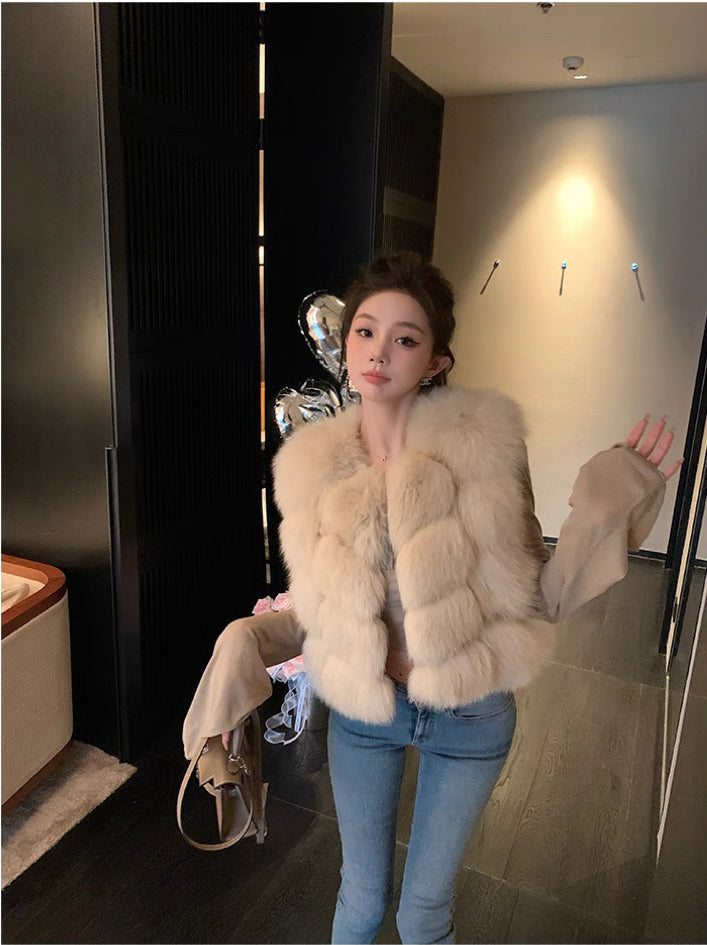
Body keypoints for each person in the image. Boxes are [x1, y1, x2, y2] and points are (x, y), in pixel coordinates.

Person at [183, 252, 680, 945]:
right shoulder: (310, 468)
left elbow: (531, 597)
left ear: (436, 360)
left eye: (405, 338)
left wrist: (600, 514)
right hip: (367, 716)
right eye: (365, 331)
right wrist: (248, 640)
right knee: (359, 902)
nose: (378, 352)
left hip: (470, 718)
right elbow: (325, 611)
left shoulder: (484, 450)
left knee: (423, 917)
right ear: (346, 343)